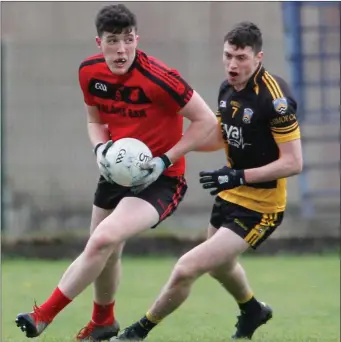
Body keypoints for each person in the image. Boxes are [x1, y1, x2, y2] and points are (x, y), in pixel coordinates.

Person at [15, 4, 217, 341]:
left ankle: (42, 315)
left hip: (161, 180)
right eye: (112, 41)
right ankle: (103, 322)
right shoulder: (89, 73)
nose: (121, 49)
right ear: (99, 42)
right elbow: (95, 121)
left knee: (103, 239)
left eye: (127, 40)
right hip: (116, 172)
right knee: (104, 252)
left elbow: (207, 120)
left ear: (137, 38)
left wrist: (165, 160)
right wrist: (100, 150)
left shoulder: (160, 78)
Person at [113, 21, 303, 341]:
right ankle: (253, 309)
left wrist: (237, 175)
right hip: (230, 195)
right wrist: (162, 150)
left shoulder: (275, 98)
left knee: (188, 267)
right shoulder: (227, 89)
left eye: (241, 58)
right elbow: (218, 137)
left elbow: (293, 162)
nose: (232, 65)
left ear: (258, 57)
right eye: (228, 55)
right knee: (218, 265)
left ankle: (137, 332)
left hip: (261, 207)